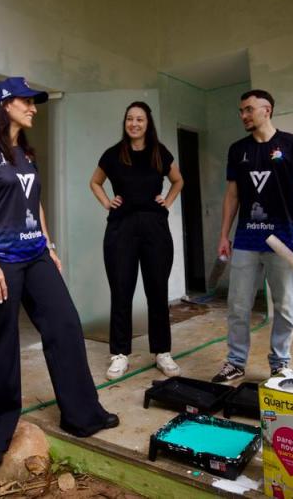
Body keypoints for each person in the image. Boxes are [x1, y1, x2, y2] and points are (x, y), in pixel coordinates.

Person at [0, 77, 118, 469]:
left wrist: (48, 244)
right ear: (5, 105)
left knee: (65, 325)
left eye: (35, 102)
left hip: (35, 255)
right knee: (0, 340)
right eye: (26, 101)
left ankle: (83, 415)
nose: (33, 108)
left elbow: (36, 203)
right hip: (0, 258)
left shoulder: (25, 154)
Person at [213, 90, 293, 383]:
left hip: (283, 240)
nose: (244, 115)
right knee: (238, 305)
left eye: (248, 109)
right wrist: (224, 235)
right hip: (246, 240)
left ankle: (280, 363)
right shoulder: (237, 149)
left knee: (284, 305)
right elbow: (232, 195)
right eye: (241, 111)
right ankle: (235, 361)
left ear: (266, 109)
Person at [89, 101, 184, 380]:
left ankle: (162, 352)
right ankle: (119, 354)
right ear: (125, 122)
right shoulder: (113, 154)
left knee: (157, 290)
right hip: (121, 228)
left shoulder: (159, 152)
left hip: (155, 227)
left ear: (147, 123)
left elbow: (178, 180)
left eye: (139, 119)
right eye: (130, 119)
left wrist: (166, 201)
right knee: (121, 291)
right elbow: (94, 182)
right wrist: (107, 201)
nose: (134, 124)